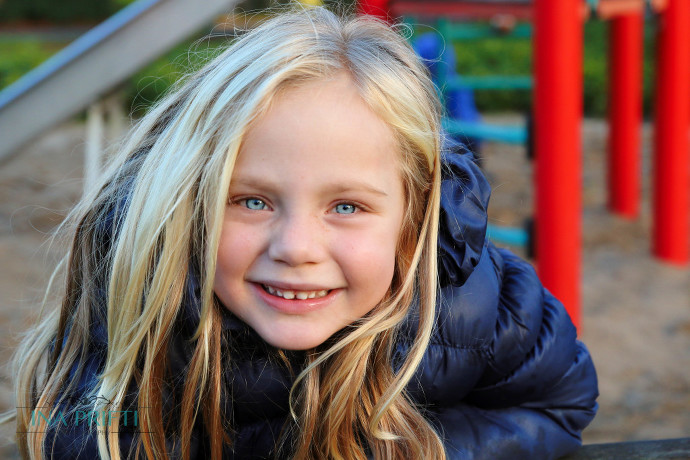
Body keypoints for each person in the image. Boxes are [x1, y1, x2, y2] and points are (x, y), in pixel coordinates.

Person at [4, 5, 598, 459]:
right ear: (190, 200)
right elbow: (70, 422)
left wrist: (404, 447)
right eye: (252, 201)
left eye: (346, 207)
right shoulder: (146, 289)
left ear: (412, 215)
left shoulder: (473, 306)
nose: (295, 248)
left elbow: (557, 401)